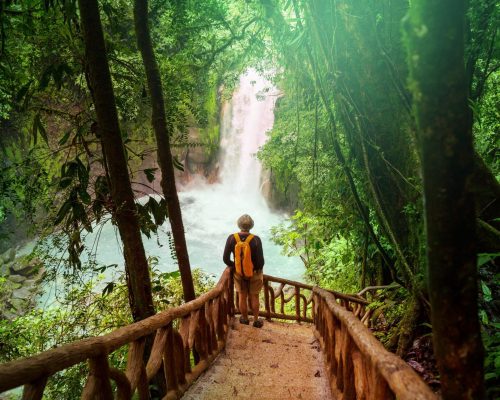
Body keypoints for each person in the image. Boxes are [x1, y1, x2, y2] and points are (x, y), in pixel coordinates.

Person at [223, 214, 265, 328]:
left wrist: (236, 266)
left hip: (239, 274)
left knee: (242, 296)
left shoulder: (232, 238)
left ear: (239, 224)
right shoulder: (256, 240)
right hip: (254, 273)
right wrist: (255, 270)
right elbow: (261, 261)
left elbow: (226, 259)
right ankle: (256, 320)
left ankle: (245, 319)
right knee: (254, 296)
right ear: (251, 225)